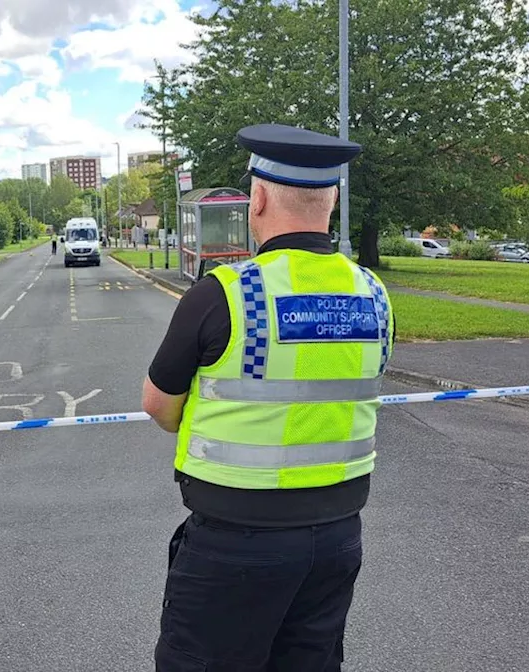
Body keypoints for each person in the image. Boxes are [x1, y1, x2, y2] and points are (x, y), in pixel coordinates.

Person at [142, 123, 395, 672]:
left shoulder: (225, 293)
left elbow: (159, 405)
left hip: (235, 543)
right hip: (336, 540)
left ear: (257, 199)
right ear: (331, 202)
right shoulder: (372, 294)